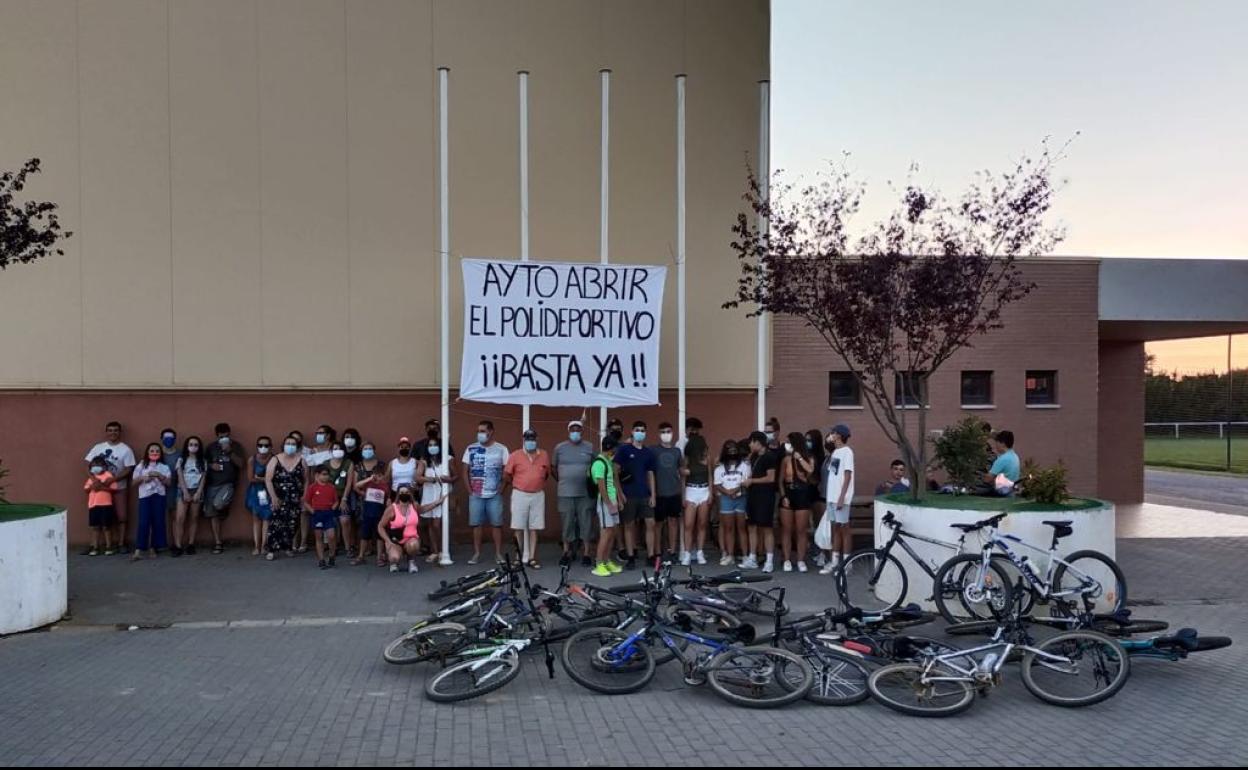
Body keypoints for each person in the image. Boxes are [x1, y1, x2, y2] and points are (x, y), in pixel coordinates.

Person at [462, 420, 509, 565]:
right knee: (476, 525)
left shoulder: (501, 449)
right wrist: (470, 491)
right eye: (478, 431)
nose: (480, 434)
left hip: (494, 494)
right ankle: (476, 553)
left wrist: (501, 489)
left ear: (491, 431)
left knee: (497, 525)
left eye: (482, 431)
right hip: (476, 494)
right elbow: (465, 471)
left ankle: (498, 554)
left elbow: (507, 471)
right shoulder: (471, 448)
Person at [84, 421, 135, 554]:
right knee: (98, 517)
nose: (113, 433)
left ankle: (121, 543)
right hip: (98, 489)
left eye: (116, 430)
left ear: (120, 432)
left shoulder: (126, 449)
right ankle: (95, 545)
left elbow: (129, 468)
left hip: (118, 487)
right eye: (110, 430)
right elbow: (87, 465)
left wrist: (113, 479)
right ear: (106, 432)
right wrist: (94, 479)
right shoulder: (98, 447)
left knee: (121, 516)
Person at [503, 429, 551, 569]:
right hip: (520, 494)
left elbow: (546, 473)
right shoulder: (515, 455)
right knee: (518, 527)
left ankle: (532, 558)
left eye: (533, 438)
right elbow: (506, 474)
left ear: (537, 439)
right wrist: (517, 483)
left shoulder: (544, 455)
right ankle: (518, 558)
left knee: (534, 528)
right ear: (524, 440)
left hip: (537, 494)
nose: (530, 441)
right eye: (528, 439)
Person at [553, 419, 597, 568]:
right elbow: (554, 468)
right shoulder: (559, 448)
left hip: (585, 493)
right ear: (568, 431)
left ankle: (586, 553)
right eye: (573, 430)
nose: (575, 432)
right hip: (565, 493)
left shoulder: (590, 447)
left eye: (578, 430)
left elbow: (595, 466)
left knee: (586, 523)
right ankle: (566, 552)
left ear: (582, 431)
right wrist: (564, 480)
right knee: (567, 523)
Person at [613, 421, 657, 570]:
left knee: (650, 523)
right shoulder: (624, 450)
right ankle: (631, 556)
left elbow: (650, 474)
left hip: (644, 494)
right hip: (628, 495)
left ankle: (651, 556)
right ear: (632, 431)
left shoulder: (648, 452)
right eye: (637, 430)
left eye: (643, 430)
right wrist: (620, 494)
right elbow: (615, 472)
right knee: (629, 525)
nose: (640, 432)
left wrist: (653, 495)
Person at [378, 483, 446, 574]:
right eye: (402, 492)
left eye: (406, 492)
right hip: (395, 540)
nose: (404, 494)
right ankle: (394, 563)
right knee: (394, 557)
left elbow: (423, 509)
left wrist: (437, 502)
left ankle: (411, 560)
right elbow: (380, 526)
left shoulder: (414, 506)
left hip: (411, 539)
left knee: (413, 545)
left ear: (410, 493)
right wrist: (388, 541)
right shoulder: (392, 509)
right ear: (398, 494)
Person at [202, 422, 242, 554]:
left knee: (218, 505)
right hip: (212, 484)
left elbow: (241, 464)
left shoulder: (235, 446)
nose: (223, 439)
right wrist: (211, 465)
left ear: (229, 434)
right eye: (220, 437)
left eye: (225, 436)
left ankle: (223, 509)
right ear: (217, 436)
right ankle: (218, 542)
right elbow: (203, 464)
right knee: (212, 514)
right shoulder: (211, 447)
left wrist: (229, 451)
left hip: (228, 483)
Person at [820, 424, 855, 575]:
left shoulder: (847, 452)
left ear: (839, 435)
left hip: (841, 498)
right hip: (831, 497)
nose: (831, 435)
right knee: (835, 528)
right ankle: (835, 561)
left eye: (833, 433)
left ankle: (847, 563)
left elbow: (847, 475)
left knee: (844, 529)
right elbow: (834, 474)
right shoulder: (835, 453)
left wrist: (842, 497)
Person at [264, 435, 307, 560]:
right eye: (288, 443)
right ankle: (271, 550)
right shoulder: (275, 459)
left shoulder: (301, 460)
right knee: (275, 523)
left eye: (293, 444)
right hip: (278, 496)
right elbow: (268, 479)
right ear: (283, 445)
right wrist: (273, 497)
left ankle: (287, 547)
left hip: (295, 497)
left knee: (292, 523)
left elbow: (306, 480)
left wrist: (304, 496)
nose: (290, 446)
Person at [779, 431, 816, 573]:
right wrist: (783, 496)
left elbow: (810, 471)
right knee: (787, 529)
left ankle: (800, 560)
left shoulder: (808, 458)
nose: (787, 445)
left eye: (789, 442)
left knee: (801, 530)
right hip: (788, 493)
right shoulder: (785, 460)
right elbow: (781, 480)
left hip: (802, 493)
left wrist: (799, 458)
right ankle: (787, 559)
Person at [740, 431, 778, 572]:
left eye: (751, 442)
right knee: (751, 526)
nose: (750, 445)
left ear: (757, 442)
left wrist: (752, 481)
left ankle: (769, 560)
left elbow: (770, 478)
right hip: (753, 496)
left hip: (765, 497)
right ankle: (752, 557)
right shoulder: (755, 457)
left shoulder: (769, 457)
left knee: (767, 528)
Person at [590, 435, 625, 577]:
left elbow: (613, 481)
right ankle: (599, 564)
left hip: (612, 501)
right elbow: (602, 486)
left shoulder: (608, 461)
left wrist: (619, 498)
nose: (616, 451)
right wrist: (609, 504)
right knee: (605, 533)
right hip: (606, 502)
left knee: (611, 533)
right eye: (615, 448)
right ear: (610, 448)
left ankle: (606, 559)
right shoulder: (599, 463)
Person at [417, 434, 455, 564]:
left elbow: (456, 476)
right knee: (429, 524)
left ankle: (442, 550)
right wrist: (431, 479)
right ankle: (434, 551)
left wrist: (448, 479)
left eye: (435, 445)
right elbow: (417, 477)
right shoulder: (423, 461)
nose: (432, 448)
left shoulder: (448, 459)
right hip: (428, 494)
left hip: (441, 494)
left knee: (437, 524)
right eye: (430, 445)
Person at [131, 443, 172, 560]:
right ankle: (139, 549)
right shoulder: (141, 466)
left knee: (158, 522)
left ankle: (153, 548)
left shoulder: (164, 467)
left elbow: (169, 483)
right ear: (147, 453)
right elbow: (133, 483)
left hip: (159, 496)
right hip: (145, 496)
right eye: (152, 451)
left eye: (157, 451)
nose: (154, 453)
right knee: (143, 522)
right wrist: (143, 478)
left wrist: (160, 476)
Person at [652, 422, 686, 562]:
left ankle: (672, 552)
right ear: (659, 434)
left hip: (674, 492)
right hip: (659, 493)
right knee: (658, 524)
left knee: (673, 522)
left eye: (669, 431)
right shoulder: (653, 450)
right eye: (663, 431)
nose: (666, 434)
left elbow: (681, 471)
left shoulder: (677, 451)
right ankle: (658, 552)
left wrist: (683, 494)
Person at [714, 440, 750, 567]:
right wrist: (727, 492)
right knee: (728, 528)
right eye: (729, 450)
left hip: (741, 498)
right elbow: (717, 484)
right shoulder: (719, 468)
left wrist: (735, 490)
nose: (732, 452)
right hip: (726, 499)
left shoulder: (744, 466)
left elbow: (746, 482)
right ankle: (730, 555)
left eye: (734, 450)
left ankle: (746, 556)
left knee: (741, 528)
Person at [680, 419, 711, 566]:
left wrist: (710, 493)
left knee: (702, 524)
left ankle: (699, 552)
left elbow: (710, 475)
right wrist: (683, 495)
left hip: (704, 490)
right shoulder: (687, 459)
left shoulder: (707, 458)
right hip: (691, 490)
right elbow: (683, 477)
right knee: (688, 524)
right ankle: (687, 553)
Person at [353, 441, 389, 566]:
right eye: (376, 475)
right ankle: (361, 556)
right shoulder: (368, 483)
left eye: (380, 475)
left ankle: (380, 556)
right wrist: (369, 480)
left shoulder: (384, 486)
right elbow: (357, 486)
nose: (377, 477)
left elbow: (387, 497)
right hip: (367, 513)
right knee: (364, 535)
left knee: (379, 536)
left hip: (379, 513)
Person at [172, 436, 205, 556]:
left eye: (196, 445)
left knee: (194, 517)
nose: (193, 447)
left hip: (196, 490)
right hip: (183, 490)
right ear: (187, 446)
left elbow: (203, 478)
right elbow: (180, 476)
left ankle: (191, 544)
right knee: (180, 518)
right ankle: (178, 545)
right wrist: (185, 492)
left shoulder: (202, 461)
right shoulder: (181, 460)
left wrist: (198, 492)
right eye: (191, 444)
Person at [304, 465, 340, 570]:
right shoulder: (312, 487)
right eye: (323, 474)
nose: (326, 477)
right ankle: (321, 560)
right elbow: (306, 502)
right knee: (319, 537)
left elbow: (336, 501)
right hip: (317, 514)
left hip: (328, 514)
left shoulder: (331, 487)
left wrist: (332, 508)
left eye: (327, 475)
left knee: (331, 536)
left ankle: (332, 556)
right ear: (317, 475)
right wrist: (312, 511)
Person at [324, 441, 356, 557]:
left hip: (343, 496)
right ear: (331, 451)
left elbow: (349, 483)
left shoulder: (349, 463)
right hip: (329, 498)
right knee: (332, 522)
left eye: (340, 448)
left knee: (345, 520)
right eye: (335, 448)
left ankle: (348, 548)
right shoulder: (326, 464)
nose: (337, 450)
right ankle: (334, 547)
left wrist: (344, 499)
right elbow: (323, 482)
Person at [245, 436, 274, 556]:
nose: (263, 448)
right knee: (256, 518)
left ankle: (264, 546)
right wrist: (266, 479)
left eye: (266, 445)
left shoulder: (274, 459)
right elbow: (251, 478)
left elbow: (275, 478)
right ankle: (256, 546)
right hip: (256, 491)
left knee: (267, 518)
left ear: (271, 447)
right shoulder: (252, 459)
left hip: (269, 491)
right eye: (261, 445)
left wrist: (263, 479)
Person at [84, 454, 117, 556]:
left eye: (98, 465)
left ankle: (109, 546)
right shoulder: (92, 478)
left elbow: (114, 489)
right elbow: (86, 489)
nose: (96, 467)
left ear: (104, 466)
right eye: (94, 465)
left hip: (106, 505)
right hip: (93, 505)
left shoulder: (108, 476)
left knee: (106, 527)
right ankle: (95, 547)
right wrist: (92, 487)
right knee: (95, 527)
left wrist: (102, 487)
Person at [159, 427, 181, 536]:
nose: (169, 440)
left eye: (171, 438)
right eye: (166, 438)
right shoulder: (156, 454)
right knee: (158, 518)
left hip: (174, 489)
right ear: (161, 439)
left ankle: (175, 544)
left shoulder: (180, 455)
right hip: (158, 490)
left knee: (175, 518)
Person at [984, 430, 1021, 495]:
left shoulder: (1002, 459)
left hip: (1002, 493)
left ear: (1002, 443)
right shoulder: (1015, 456)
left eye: (997, 442)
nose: (995, 445)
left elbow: (988, 479)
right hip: (1012, 492)